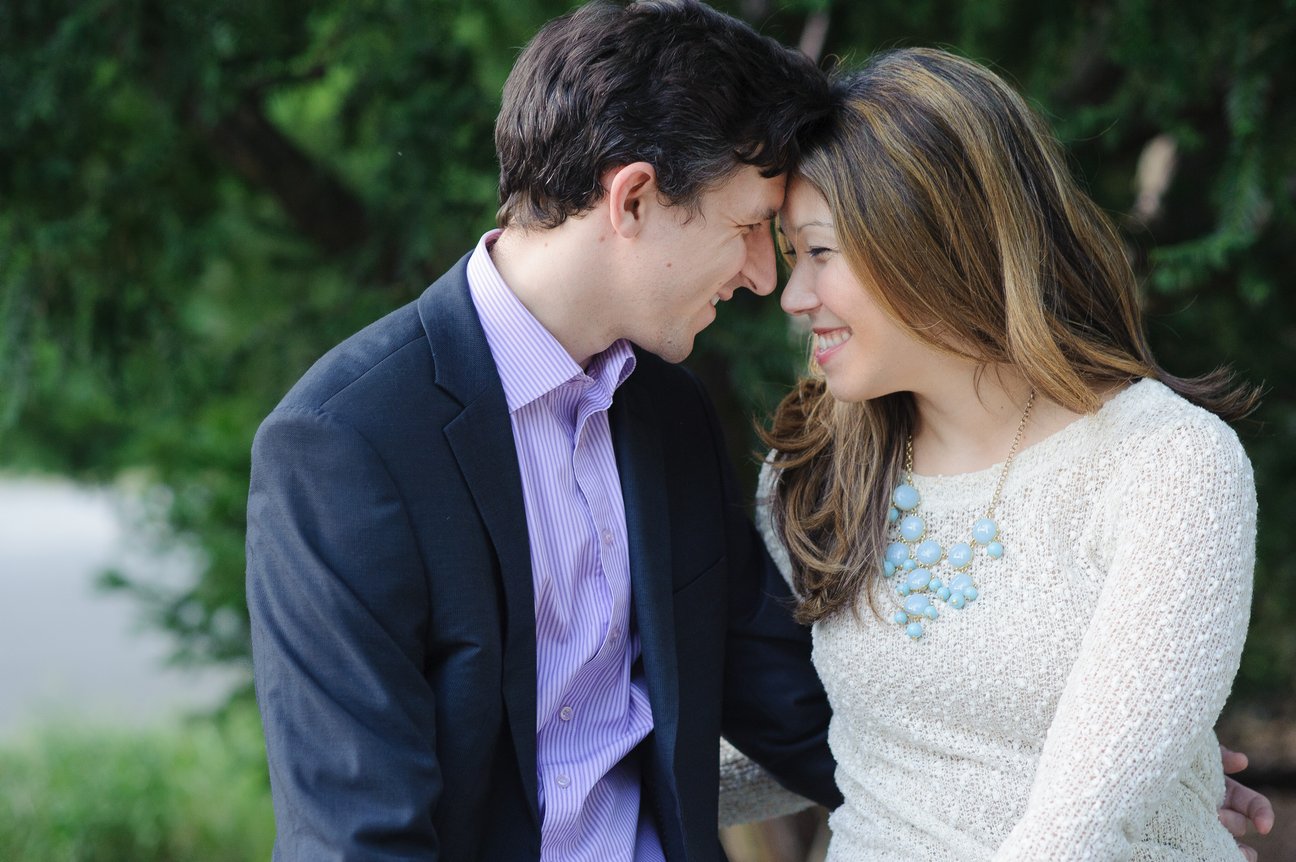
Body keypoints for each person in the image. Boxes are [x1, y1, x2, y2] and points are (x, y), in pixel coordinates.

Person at [244, 2, 843, 860]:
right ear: (632, 198)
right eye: (748, 227)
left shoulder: (671, 413)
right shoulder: (343, 445)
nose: (760, 275)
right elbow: (359, 837)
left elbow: (791, 704)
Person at [758, 46, 1269, 860]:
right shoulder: (815, 477)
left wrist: (1166, 778)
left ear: (929, 239)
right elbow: (806, 738)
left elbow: (1072, 826)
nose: (794, 296)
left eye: (820, 252)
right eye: (794, 258)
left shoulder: (1168, 465)